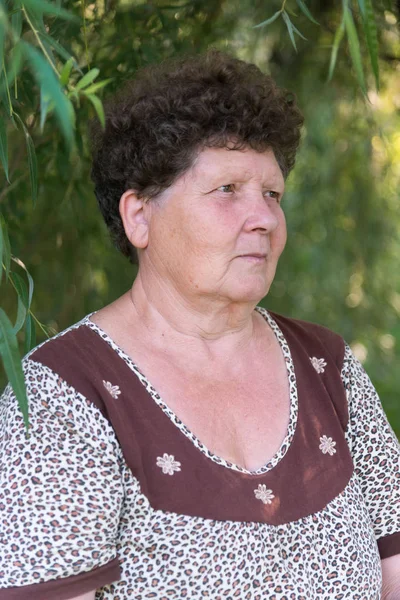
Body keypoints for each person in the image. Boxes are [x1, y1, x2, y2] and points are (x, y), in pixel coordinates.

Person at [0, 50, 399, 600]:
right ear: (139, 216)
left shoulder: (328, 367)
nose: (263, 218)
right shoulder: (64, 396)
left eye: (272, 195)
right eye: (227, 191)